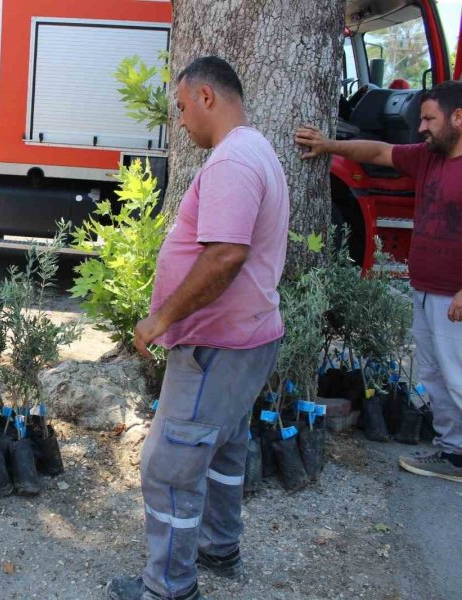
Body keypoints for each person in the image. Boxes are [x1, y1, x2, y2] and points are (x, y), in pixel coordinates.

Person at [107, 56, 289, 600]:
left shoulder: (233, 162)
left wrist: (162, 316)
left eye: (183, 108)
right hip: (247, 339)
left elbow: (225, 256)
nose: (181, 122)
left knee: (169, 468)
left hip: (215, 346)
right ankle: (219, 546)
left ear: (206, 96)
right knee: (226, 449)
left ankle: (169, 587)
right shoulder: (256, 149)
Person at [296, 80, 462, 483]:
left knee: (459, 379)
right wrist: (329, 145)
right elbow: (378, 151)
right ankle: (454, 454)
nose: (421, 127)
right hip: (425, 289)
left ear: (459, 118)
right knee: (436, 377)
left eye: (429, 119)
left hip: (454, 298)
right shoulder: (429, 157)